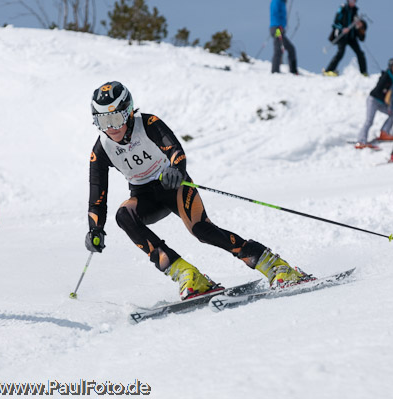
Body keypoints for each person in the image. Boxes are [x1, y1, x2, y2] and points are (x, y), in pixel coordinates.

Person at [85, 81, 305, 300]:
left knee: (202, 230)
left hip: (174, 185)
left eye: (115, 118)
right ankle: (187, 275)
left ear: (128, 112)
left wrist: (175, 169)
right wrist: (95, 230)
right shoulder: (102, 149)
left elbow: (176, 151)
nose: (111, 127)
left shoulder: (148, 123)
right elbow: (97, 196)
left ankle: (275, 266)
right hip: (145, 197)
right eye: (103, 121)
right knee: (124, 216)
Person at [355, 58, 393, 148]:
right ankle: (361, 140)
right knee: (369, 121)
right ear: (391, 67)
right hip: (373, 100)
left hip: (381, 103)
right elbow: (378, 91)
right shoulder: (386, 76)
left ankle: (384, 132)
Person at [324, 0, 367, 76]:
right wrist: (342, 29)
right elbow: (336, 22)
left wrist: (359, 26)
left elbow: (356, 24)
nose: (352, 2)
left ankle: (363, 72)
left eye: (354, 1)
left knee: (360, 53)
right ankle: (329, 70)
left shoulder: (355, 11)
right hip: (342, 35)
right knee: (340, 52)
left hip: (351, 36)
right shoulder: (342, 8)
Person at [270, 0, 298, 74]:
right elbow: (275, 13)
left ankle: (293, 70)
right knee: (279, 49)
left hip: (279, 28)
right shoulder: (277, 1)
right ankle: (275, 70)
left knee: (289, 48)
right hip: (277, 28)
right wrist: (279, 26)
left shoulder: (282, 3)